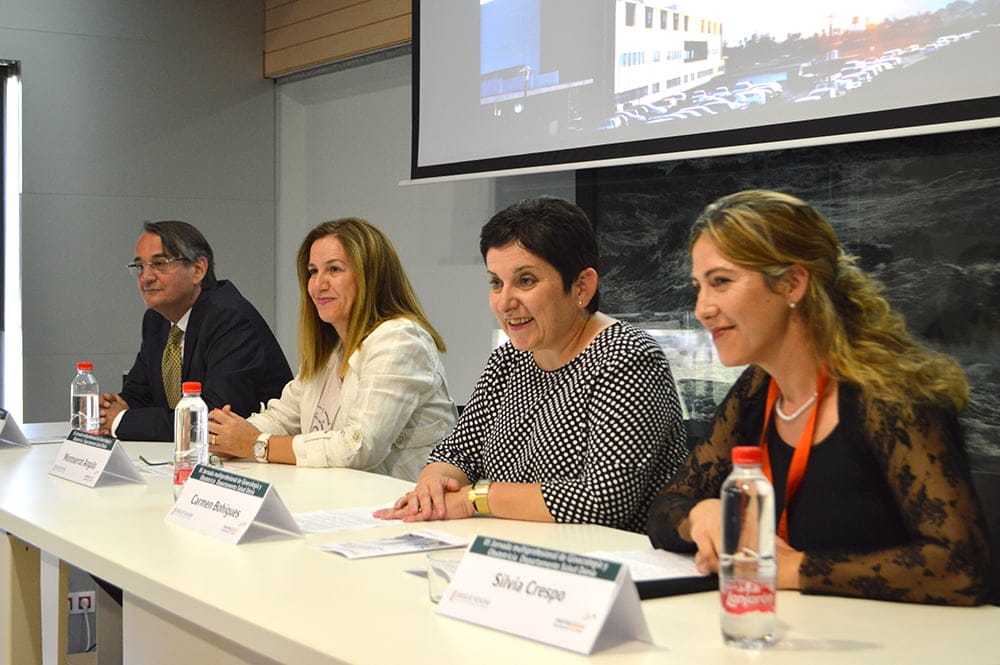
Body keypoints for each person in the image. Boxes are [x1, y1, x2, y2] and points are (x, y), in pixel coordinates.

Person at [647, 189, 991, 605]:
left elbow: (961, 568)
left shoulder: (889, 395)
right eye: (698, 287)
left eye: (721, 282)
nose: (702, 308)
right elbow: (665, 508)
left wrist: (791, 568)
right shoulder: (758, 388)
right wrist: (702, 516)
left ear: (792, 283)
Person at [375, 197, 688, 533]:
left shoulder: (628, 357)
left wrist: (475, 499)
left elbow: (602, 501)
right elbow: (456, 453)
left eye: (525, 281)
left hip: (609, 558)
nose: (505, 302)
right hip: (518, 549)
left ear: (582, 286)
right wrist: (434, 483)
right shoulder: (508, 360)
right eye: (496, 283)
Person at [206, 218, 457, 481]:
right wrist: (228, 437)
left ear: (371, 277)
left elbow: (359, 447)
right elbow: (283, 418)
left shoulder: (399, 339)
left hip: (400, 500)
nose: (318, 284)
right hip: (339, 495)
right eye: (313, 271)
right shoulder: (331, 346)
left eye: (334, 269)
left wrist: (257, 444)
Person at [100, 221, 292, 441]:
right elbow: (141, 394)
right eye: (140, 267)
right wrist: (113, 407)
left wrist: (121, 421)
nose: (146, 277)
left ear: (198, 270)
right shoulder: (156, 320)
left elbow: (212, 417)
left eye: (159, 264)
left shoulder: (230, 319)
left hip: (255, 454)